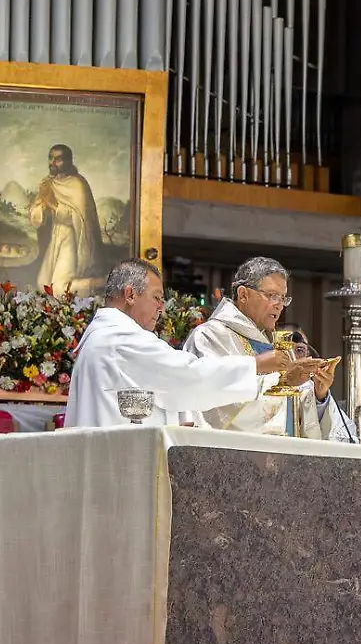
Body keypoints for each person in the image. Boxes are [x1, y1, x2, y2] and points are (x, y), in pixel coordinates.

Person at [64, 259, 297, 428]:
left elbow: (165, 390)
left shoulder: (104, 337)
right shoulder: (119, 339)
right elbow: (189, 375)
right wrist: (255, 365)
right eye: (156, 297)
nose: (161, 308)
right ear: (130, 295)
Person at [183, 257, 344, 439]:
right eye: (272, 295)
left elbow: (292, 416)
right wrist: (283, 382)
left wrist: (317, 394)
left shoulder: (274, 344)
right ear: (243, 294)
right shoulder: (210, 337)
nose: (279, 305)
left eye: (283, 298)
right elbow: (218, 407)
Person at [29, 143, 106, 296]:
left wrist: (53, 208)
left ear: (68, 161)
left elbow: (80, 216)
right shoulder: (48, 184)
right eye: (51, 158)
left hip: (73, 238)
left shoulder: (77, 184)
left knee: (59, 289)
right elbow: (36, 215)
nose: (53, 162)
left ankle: (99, 282)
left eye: (58, 159)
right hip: (56, 236)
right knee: (42, 285)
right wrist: (41, 209)